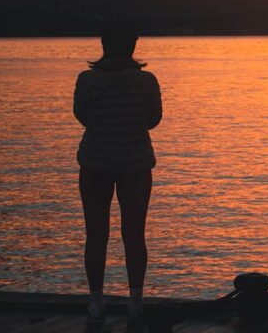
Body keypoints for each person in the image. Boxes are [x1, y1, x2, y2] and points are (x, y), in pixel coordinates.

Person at [73, 23, 162, 324]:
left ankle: (96, 303)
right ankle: (135, 303)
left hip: (95, 164)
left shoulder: (87, 80)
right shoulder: (146, 81)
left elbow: (82, 115)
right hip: (135, 164)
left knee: (96, 234)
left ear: (104, 45)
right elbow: (154, 119)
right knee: (134, 234)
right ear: (132, 46)